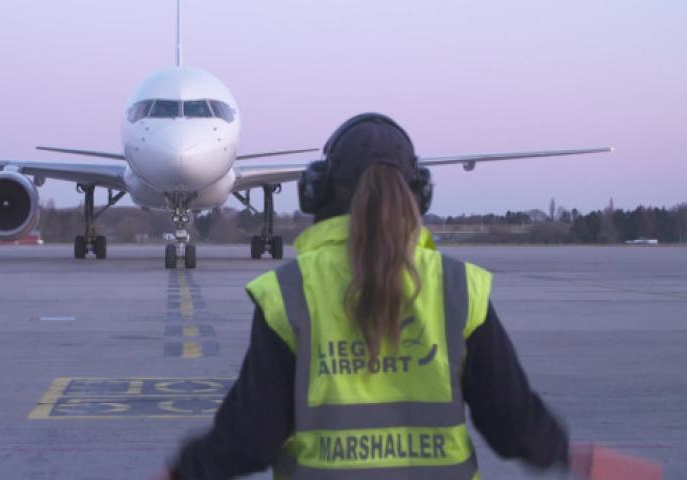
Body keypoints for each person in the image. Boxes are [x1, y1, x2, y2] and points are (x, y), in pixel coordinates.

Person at [162, 113, 583, 479]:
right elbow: (514, 426)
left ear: (317, 191)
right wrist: (578, 458)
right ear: (420, 192)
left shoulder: (291, 292)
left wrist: (183, 472)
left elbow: (251, 438)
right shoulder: (459, 288)